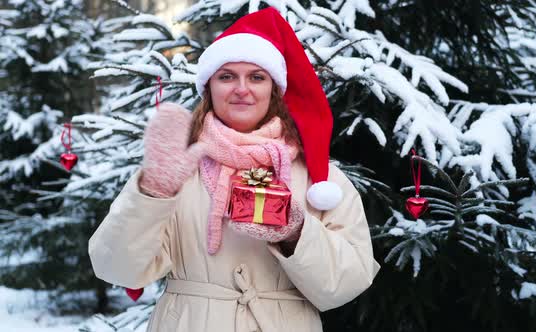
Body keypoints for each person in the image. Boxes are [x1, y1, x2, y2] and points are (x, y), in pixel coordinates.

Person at [88, 7, 380, 332]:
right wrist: (152, 196)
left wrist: (295, 231)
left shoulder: (320, 179)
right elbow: (115, 268)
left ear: (275, 90)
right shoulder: (177, 168)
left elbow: (347, 284)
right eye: (227, 76)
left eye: (256, 77)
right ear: (209, 88)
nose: (242, 88)